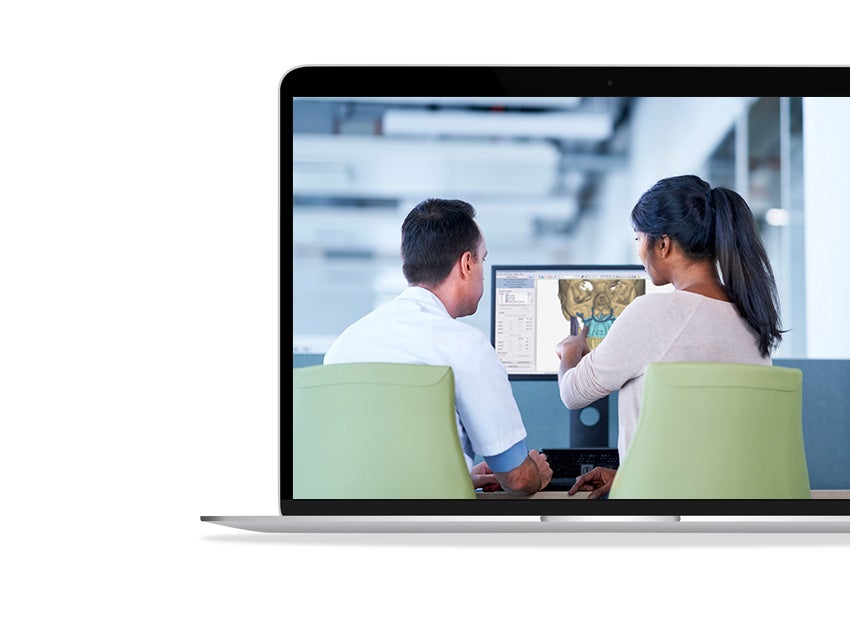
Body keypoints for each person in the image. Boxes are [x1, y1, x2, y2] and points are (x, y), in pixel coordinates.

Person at [556, 175, 784, 499]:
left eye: (638, 239)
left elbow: (573, 393)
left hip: (660, 516)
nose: (639, 252)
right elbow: (707, 446)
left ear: (662, 244)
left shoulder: (654, 312)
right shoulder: (752, 319)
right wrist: (627, 476)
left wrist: (569, 354)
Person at [324, 198, 553, 496]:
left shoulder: (343, 346)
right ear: (466, 264)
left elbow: (372, 470)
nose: (482, 269)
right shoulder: (464, 347)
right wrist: (537, 471)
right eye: (482, 260)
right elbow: (519, 481)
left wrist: (456, 478)